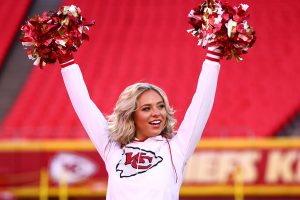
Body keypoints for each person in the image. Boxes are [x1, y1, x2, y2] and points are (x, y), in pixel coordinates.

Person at [59, 45, 222, 200]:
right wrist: (66, 60)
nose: (157, 113)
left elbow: (200, 105)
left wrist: (213, 56)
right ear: (131, 115)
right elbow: (83, 104)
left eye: (161, 106)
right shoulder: (113, 148)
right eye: (146, 108)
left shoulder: (176, 148)